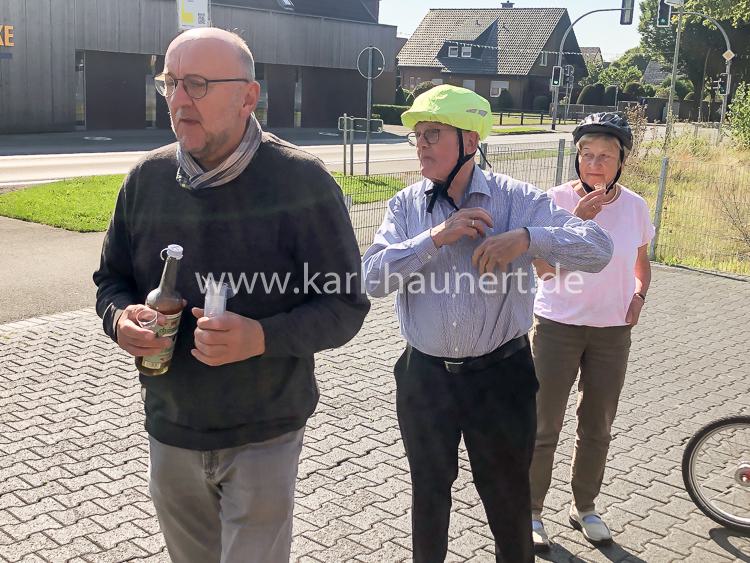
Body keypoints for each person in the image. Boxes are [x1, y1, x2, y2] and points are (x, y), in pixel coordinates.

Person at [93, 28, 369, 563]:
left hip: (263, 432)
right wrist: (118, 319)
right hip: (171, 424)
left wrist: (261, 337)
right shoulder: (145, 180)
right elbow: (111, 279)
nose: (177, 100)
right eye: (169, 83)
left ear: (248, 96)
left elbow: (345, 306)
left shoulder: (301, 184)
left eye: (195, 84)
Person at [361, 85, 614, 563]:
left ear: (470, 143)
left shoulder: (518, 200)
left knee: (507, 503)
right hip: (425, 378)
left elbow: (598, 250)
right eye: (418, 135)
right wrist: (435, 237)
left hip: (501, 377)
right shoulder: (406, 206)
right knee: (428, 497)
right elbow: (371, 279)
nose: (421, 145)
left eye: (433, 134)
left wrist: (526, 238)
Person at [529, 112, 654, 551]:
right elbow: (543, 269)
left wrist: (638, 297)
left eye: (606, 156)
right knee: (544, 425)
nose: (595, 164)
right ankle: (532, 511)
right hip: (558, 327)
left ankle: (585, 506)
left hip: (612, 333)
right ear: (577, 158)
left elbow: (642, 265)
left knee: (597, 425)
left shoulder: (636, 206)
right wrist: (576, 224)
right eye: (587, 154)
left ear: (621, 161)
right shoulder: (555, 201)